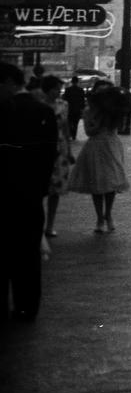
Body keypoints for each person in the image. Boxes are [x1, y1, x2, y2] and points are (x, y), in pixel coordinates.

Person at [2, 62, 60, 322]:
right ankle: (27, 306)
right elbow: (49, 157)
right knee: (27, 256)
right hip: (30, 196)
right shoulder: (43, 111)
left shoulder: (4, 110)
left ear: (8, 83)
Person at [68, 83, 131, 234]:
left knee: (111, 182)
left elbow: (120, 129)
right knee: (96, 182)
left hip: (111, 145)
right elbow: (89, 132)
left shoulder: (114, 111)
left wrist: (118, 117)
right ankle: (99, 218)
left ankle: (108, 214)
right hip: (96, 146)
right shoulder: (89, 111)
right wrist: (100, 122)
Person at [39, 76, 74, 239]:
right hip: (42, 147)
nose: (58, 92)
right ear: (47, 89)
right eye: (55, 89)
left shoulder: (63, 105)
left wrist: (69, 149)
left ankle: (50, 225)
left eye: (59, 89)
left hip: (60, 149)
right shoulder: (38, 105)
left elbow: (66, 127)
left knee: (56, 190)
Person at [63, 76, 86, 140]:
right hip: (77, 109)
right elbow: (82, 101)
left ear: (72, 82)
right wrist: (82, 109)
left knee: (70, 122)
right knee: (76, 123)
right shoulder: (81, 90)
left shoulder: (67, 90)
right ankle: (74, 136)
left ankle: (70, 133)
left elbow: (65, 99)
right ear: (77, 82)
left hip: (70, 109)